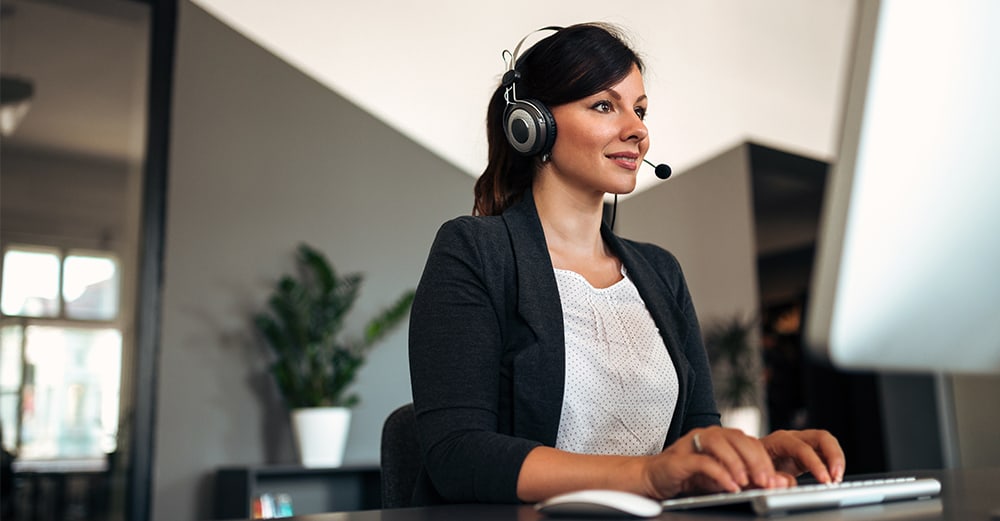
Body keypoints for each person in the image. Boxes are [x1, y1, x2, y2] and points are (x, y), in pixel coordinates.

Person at [407, 22, 844, 506]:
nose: (637, 130)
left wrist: (753, 459)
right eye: (603, 105)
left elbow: (697, 437)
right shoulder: (474, 250)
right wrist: (648, 475)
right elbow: (458, 454)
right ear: (531, 125)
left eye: (639, 110)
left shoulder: (660, 272)